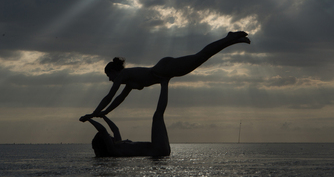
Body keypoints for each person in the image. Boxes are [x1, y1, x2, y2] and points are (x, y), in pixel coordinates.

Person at [79, 31, 250, 121]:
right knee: (201, 58)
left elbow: (109, 96)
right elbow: (119, 100)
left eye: (109, 75)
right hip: (165, 72)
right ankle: (232, 40)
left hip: (164, 68)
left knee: (200, 56)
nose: (109, 79)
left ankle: (229, 38)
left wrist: (94, 113)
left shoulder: (122, 75)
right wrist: (104, 113)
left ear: (114, 71)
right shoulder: (129, 82)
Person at [87, 79, 171, 157]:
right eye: (108, 137)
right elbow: (103, 131)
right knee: (157, 116)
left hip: (159, 150)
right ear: (105, 142)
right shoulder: (113, 150)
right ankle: (164, 82)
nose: (110, 136)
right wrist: (89, 119)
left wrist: (103, 116)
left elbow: (115, 129)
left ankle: (164, 82)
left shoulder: (118, 144)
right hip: (157, 151)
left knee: (158, 116)